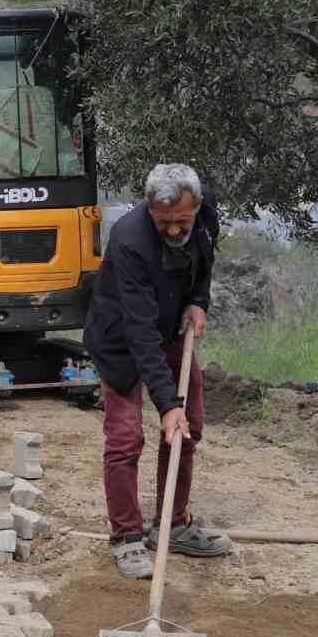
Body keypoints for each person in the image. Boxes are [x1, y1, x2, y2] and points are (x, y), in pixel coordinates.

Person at [82, 163, 233, 579]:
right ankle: (127, 539)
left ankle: (173, 524)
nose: (172, 230)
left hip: (170, 327)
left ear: (197, 206)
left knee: (189, 429)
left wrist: (199, 299)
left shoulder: (206, 214)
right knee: (126, 437)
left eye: (180, 221)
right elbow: (139, 332)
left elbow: (204, 259)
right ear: (149, 209)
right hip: (122, 339)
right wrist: (168, 404)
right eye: (162, 222)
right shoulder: (130, 239)